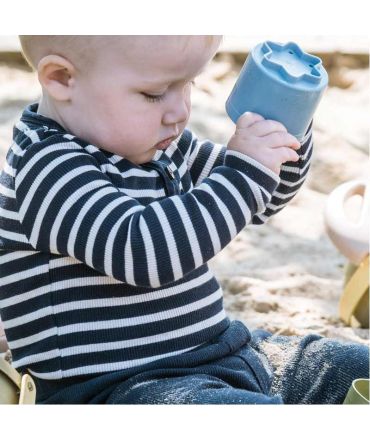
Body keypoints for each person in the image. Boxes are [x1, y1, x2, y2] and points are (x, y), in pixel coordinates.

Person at [0, 35, 367, 404]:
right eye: (155, 93)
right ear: (62, 78)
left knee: (347, 365)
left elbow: (260, 200)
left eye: (188, 84)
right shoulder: (46, 167)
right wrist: (244, 172)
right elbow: (140, 252)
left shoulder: (161, 145)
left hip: (224, 352)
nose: (179, 111)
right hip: (123, 387)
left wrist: (282, 130)